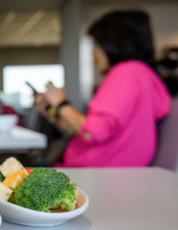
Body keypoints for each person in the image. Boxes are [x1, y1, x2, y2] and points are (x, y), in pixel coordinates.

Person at [35, 10, 171, 167]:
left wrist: (61, 103)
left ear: (114, 44)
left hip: (96, 173)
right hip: (113, 172)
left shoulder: (125, 73)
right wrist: (54, 114)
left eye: (97, 44)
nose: (93, 52)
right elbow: (98, 129)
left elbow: (92, 132)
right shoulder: (145, 74)